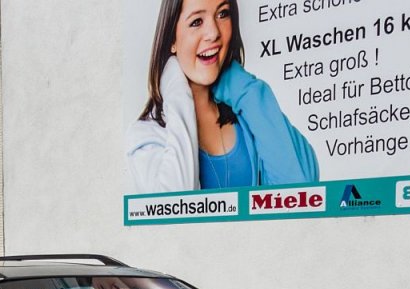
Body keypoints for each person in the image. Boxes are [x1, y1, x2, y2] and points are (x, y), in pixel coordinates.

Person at [126, 0, 319, 194]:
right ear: (172, 40)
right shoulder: (146, 137)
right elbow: (174, 210)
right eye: (196, 22)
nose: (214, 33)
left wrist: (245, 88)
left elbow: (302, 190)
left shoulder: (248, 117)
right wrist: (176, 93)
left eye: (222, 14)